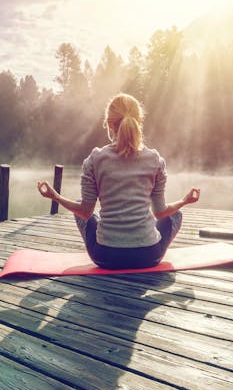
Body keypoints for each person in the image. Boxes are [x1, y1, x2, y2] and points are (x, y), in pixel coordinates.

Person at [37, 92, 200, 269]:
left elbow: (85, 212)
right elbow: (160, 212)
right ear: (139, 123)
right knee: (175, 214)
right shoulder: (155, 160)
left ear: (108, 124)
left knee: (83, 208)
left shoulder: (94, 160)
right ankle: (142, 235)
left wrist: (56, 197)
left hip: (105, 257)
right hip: (148, 256)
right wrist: (185, 201)